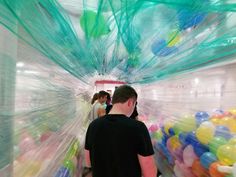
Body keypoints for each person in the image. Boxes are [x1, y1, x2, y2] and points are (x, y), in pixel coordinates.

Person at [84, 85, 157, 177]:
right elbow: (149, 171)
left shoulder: (93, 126)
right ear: (130, 102)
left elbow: (88, 162)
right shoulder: (138, 128)